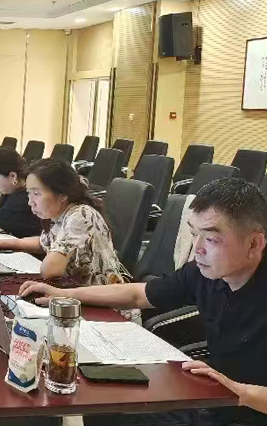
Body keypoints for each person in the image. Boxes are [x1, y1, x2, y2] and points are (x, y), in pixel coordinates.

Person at [20, 178, 267, 425]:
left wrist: (238, 391)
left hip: (247, 409)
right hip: (216, 400)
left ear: (254, 243)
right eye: (194, 234)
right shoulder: (204, 272)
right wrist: (61, 294)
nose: (197, 249)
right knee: (105, 411)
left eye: (211, 239)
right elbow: (137, 295)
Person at [0, 158, 128, 286]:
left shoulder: (81, 215)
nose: (30, 202)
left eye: (37, 194)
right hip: (79, 294)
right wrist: (0, 243)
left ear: (63, 194)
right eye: (29, 193)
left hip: (107, 305)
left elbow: (49, 270)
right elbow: (43, 243)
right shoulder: (61, 213)